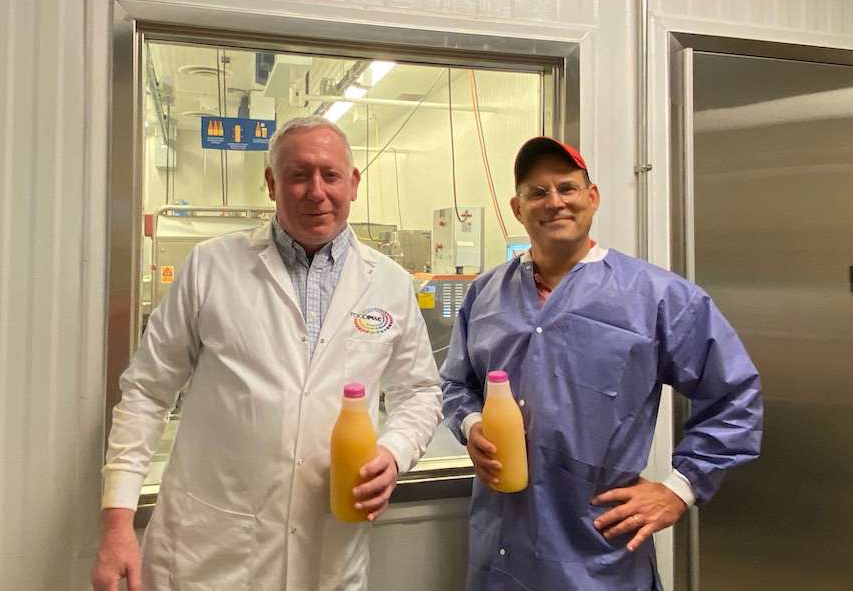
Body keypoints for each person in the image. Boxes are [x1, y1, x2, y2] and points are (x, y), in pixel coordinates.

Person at [91, 116, 442, 591]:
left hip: (329, 552)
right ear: (272, 183)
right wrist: (117, 522)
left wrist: (395, 453)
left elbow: (419, 392)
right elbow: (147, 393)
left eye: (330, 175)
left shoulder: (390, 284)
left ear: (353, 183)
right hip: (210, 553)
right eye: (299, 175)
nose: (316, 191)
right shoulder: (211, 267)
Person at [441, 136, 763, 590]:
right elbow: (456, 383)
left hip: (600, 555)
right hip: (500, 551)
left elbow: (735, 397)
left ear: (592, 198)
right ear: (517, 208)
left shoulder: (658, 298)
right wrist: (472, 423)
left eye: (568, 188)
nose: (554, 202)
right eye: (537, 192)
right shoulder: (485, 295)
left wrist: (679, 488)